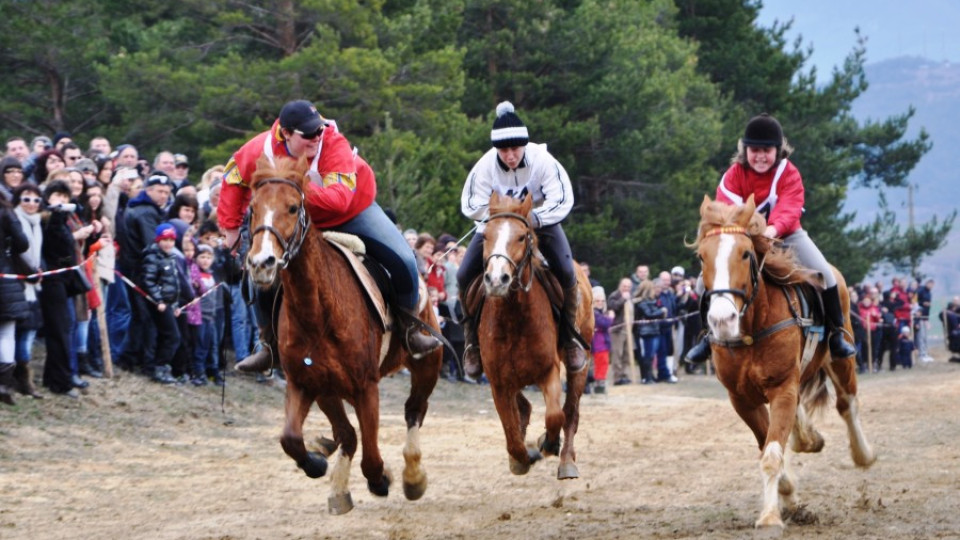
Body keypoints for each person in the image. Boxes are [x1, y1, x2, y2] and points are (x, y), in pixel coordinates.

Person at [217, 99, 441, 372]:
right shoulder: (261, 148)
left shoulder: (334, 144)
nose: (317, 136)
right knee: (258, 273)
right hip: (295, 220)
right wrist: (230, 229)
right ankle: (268, 344)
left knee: (403, 258)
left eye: (319, 130)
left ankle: (410, 328)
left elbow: (338, 201)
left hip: (353, 212)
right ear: (285, 134)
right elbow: (232, 177)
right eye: (308, 134)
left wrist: (292, 191)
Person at [685, 113, 858, 364]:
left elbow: (790, 207)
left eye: (767, 150)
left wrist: (772, 230)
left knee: (826, 275)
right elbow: (724, 210)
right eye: (755, 150)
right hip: (742, 239)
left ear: (778, 150)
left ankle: (836, 334)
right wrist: (745, 234)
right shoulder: (733, 175)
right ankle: (707, 336)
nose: (761, 156)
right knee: (702, 284)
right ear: (745, 150)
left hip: (787, 235)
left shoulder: (789, 173)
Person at [457, 101, 583, 379]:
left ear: (524, 145)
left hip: (539, 222)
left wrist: (530, 219)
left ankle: (570, 337)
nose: (510, 156)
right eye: (504, 150)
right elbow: (469, 203)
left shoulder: (543, 160)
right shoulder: (485, 165)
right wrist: (501, 216)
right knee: (465, 274)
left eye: (515, 149)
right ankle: (471, 343)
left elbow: (562, 199)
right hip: (497, 225)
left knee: (565, 271)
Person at [12, 184, 45, 399]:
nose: (31, 204)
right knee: (17, 333)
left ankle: (24, 376)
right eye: (26, 199)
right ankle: (18, 377)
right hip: (17, 284)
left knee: (30, 329)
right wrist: (28, 270)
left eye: (35, 200)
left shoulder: (38, 223)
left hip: (35, 285)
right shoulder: (14, 221)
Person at [0, 192, 30, 405]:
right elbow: (22, 243)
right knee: (6, 333)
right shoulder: (6, 212)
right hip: (5, 277)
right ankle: (4, 384)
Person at [607, 278, 635, 385]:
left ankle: (624, 375)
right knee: (617, 354)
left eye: (628, 286)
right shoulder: (615, 295)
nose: (626, 288)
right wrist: (623, 299)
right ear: (620, 285)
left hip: (628, 330)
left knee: (627, 354)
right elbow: (612, 306)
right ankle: (617, 377)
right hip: (617, 329)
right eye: (624, 286)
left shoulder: (630, 297)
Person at [591, 286, 613, 394]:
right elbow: (604, 323)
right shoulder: (594, 313)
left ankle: (600, 382)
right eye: (597, 301)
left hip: (603, 342)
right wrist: (611, 318)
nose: (600, 303)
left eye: (602, 301)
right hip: (598, 343)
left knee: (604, 363)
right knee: (601, 364)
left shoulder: (600, 313)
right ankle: (599, 385)